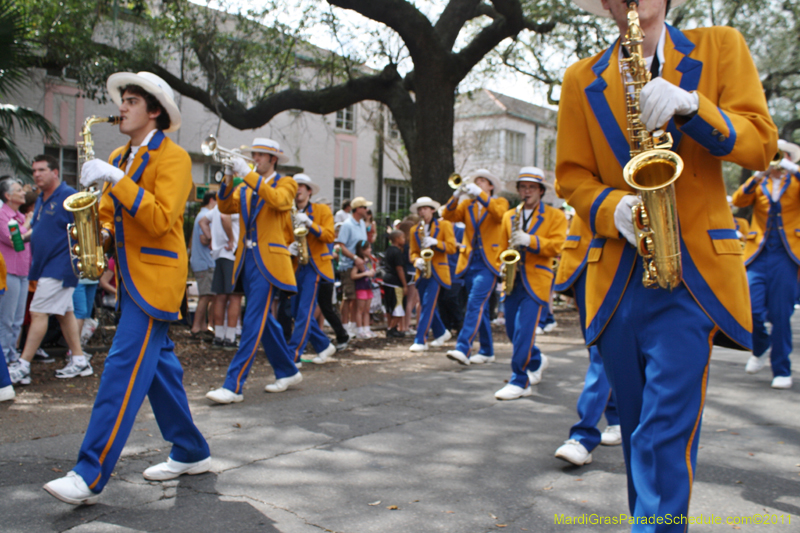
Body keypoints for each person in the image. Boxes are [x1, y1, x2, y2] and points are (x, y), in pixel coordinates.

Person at [558, 0, 777, 525]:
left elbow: (760, 144)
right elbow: (571, 176)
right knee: (637, 432)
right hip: (616, 276)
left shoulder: (720, 45)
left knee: (662, 431)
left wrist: (691, 106)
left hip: (692, 276)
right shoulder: (579, 77)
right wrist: (614, 209)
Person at [44, 71, 211, 505]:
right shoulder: (119, 154)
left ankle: (89, 472)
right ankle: (192, 449)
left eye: (132, 100)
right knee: (159, 369)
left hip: (158, 276)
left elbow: (159, 219)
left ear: (154, 111)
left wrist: (114, 179)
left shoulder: (173, 158)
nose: (121, 106)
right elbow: (105, 214)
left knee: (121, 367)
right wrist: (93, 236)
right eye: (122, 100)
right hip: (130, 276)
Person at [205, 137, 301, 404]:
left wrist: (246, 174)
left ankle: (233, 385)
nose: (254, 158)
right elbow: (224, 206)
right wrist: (227, 176)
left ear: (273, 159)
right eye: (253, 154)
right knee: (262, 320)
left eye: (260, 155)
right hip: (245, 259)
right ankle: (288, 370)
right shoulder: (246, 187)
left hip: (269, 261)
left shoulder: (286, 183)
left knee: (252, 320)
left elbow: (279, 201)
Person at [8, 155, 88, 385]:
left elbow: (85, 227)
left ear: (55, 172)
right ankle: (80, 360)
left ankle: (23, 365)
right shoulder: (42, 198)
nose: (36, 174)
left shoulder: (68, 195)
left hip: (60, 266)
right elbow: (40, 228)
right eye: (34, 170)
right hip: (46, 266)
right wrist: (24, 236)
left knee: (38, 313)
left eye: (42, 170)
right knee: (65, 314)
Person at [553, 211, 621, 465]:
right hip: (584, 262)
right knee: (599, 351)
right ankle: (616, 419)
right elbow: (568, 182)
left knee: (602, 353)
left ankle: (583, 435)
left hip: (626, 259)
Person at [732, 140, 800, 389]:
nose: (776, 162)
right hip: (758, 254)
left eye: (780, 157)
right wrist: (757, 174)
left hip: (786, 255)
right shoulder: (760, 183)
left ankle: (781, 369)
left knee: (781, 315)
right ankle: (760, 348)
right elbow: (738, 201)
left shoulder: (795, 181)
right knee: (750, 310)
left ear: (789, 159)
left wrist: (795, 172)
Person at [495, 168, 566, 400]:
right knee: (511, 332)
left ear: (541, 191)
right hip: (512, 280)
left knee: (525, 331)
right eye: (523, 187)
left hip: (537, 279)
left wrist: (530, 240)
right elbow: (500, 246)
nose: (527, 192)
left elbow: (558, 246)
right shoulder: (509, 216)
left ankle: (519, 379)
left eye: (532, 188)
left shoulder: (556, 216)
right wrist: (500, 268)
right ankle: (536, 359)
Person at [442, 169, 508, 365]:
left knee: (474, 303)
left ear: (491, 186)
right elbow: (448, 215)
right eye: (477, 181)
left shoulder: (500, 202)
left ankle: (463, 347)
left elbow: (500, 215)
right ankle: (487, 350)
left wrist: (481, 195)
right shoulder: (467, 205)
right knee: (481, 308)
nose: (478, 183)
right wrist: (455, 196)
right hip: (470, 261)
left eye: (482, 181)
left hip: (489, 262)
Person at [286, 173, 337, 365]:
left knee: (304, 312)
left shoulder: (322, 210)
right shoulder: (287, 212)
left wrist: (309, 223)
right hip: (296, 265)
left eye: (302, 186)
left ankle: (294, 355)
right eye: (295, 186)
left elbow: (330, 236)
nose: (298, 189)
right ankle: (323, 345)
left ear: (309, 191)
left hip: (315, 266)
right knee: (296, 311)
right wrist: (287, 248)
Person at [407, 197, 456, 351]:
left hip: (437, 270)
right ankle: (441, 332)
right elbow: (413, 252)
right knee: (427, 304)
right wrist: (416, 261)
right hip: (422, 270)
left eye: (425, 208)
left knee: (426, 304)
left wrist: (436, 243)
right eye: (420, 209)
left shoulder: (444, 225)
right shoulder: (414, 229)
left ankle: (420, 339)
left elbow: (452, 247)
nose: (422, 212)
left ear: (432, 210)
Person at [198, 200, 242, 349]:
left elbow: (203, 222)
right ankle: (230, 337)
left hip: (219, 255)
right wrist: (231, 239)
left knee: (220, 297)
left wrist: (211, 238)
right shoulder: (233, 205)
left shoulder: (217, 207)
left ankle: (218, 336)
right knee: (235, 296)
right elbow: (225, 217)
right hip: (232, 254)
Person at [0, 178, 32, 363]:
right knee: (6, 319)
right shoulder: (3, 216)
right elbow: (16, 241)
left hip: (23, 272)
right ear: (7, 195)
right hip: (9, 272)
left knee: (18, 319)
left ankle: (12, 356)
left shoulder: (19, 216)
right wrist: (28, 225)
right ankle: (3, 359)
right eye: (19, 190)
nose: (23, 193)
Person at [335, 197, 371, 338]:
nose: (366, 210)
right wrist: (355, 258)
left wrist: (364, 259)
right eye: (364, 207)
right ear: (357, 209)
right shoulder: (347, 225)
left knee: (355, 297)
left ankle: (354, 326)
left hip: (360, 265)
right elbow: (341, 245)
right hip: (349, 266)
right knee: (348, 297)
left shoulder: (361, 223)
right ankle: (344, 327)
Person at [190, 191, 217, 338]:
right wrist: (215, 238)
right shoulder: (204, 216)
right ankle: (196, 328)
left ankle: (201, 326)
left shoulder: (200, 215)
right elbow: (203, 239)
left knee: (207, 296)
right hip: (205, 262)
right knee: (205, 296)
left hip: (201, 261)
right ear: (212, 200)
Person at [382, 229, 409, 338]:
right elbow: (399, 269)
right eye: (402, 237)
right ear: (397, 239)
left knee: (390, 306)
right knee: (399, 306)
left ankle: (392, 327)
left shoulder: (388, 250)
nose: (404, 240)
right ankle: (391, 328)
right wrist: (405, 284)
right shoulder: (397, 252)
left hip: (388, 281)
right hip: (395, 283)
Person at [351, 240, 376, 338]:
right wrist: (365, 273)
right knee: (360, 309)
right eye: (368, 248)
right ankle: (360, 330)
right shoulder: (358, 262)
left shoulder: (369, 260)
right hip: (360, 288)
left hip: (368, 287)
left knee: (367, 309)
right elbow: (353, 275)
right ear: (362, 250)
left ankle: (367, 329)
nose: (370, 249)